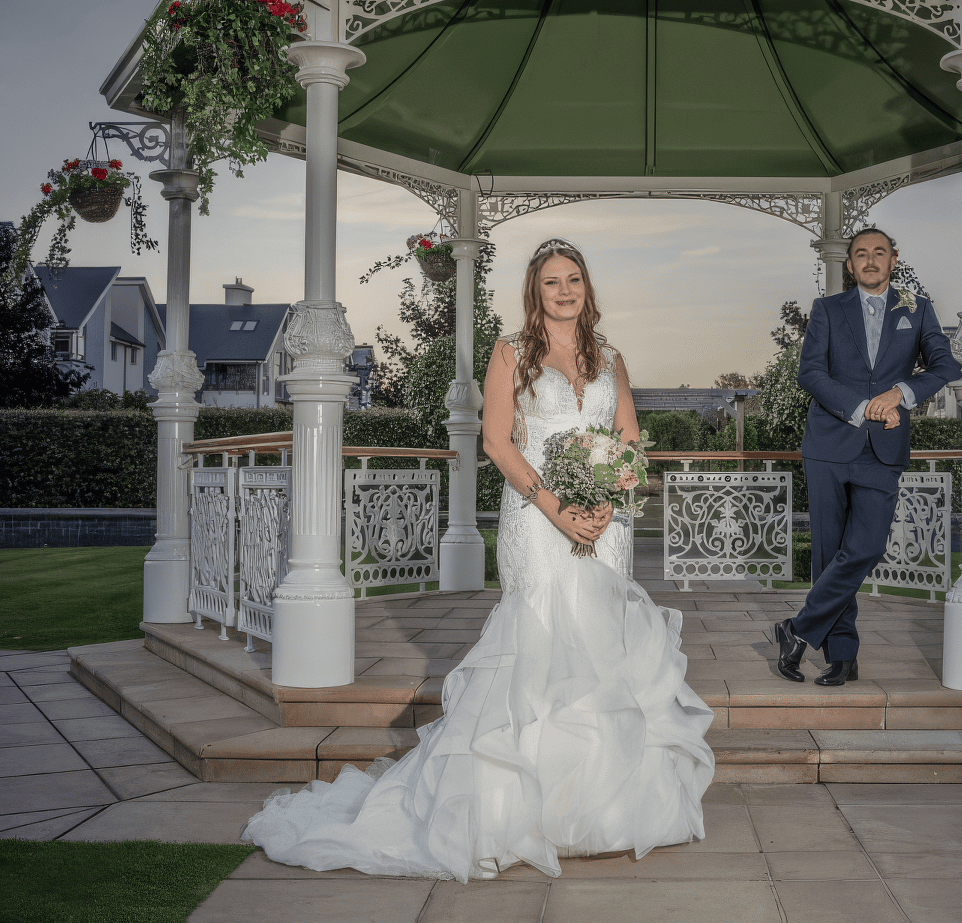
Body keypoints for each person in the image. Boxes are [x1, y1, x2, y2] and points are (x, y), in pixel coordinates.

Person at [241, 238, 714, 881]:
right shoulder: (511, 353)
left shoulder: (612, 358)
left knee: (603, 649)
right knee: (540, 648)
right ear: (534, 291)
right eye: (552, 281)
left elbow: (628, 438)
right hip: (539, 517)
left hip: (605, 523)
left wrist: (609, 497)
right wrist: (557, 508)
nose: (565, 290)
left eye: (574, 279)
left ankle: (594, 807)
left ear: (588, 288)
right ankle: (512, 809)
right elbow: (495, 441)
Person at [774, 228, 962, 685]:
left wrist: (899, 393)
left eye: (879, 253)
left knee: (865, 548)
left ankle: (797, 631)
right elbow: (811, 372)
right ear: (850, 265)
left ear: (894, 259)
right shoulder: (827, 309)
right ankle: (843, 656)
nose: (871, 261)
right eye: (862, 254)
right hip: (829, 444)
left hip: (884, 448)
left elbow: (946, 366)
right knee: (829, 553)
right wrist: (864, 408)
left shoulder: (917, 308)